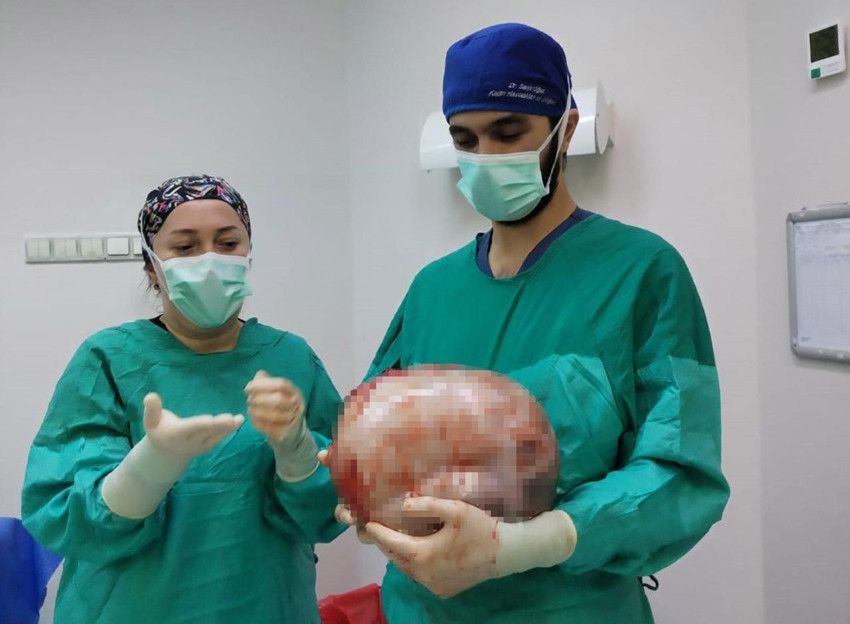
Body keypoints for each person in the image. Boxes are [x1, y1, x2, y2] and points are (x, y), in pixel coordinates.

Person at [335, 23, 730, 623]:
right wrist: (356, 486)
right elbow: (374, 432)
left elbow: (682, 473)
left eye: (509, 132)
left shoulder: (642, 272)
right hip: (421, 609)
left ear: (565, 129)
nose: (486, 157)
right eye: (465, 139)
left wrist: (524, 545)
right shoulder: (432, 289)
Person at [21, 174, 344, 623]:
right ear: (151, 265)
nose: (210, 260)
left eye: (227, 243)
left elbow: (332, 511)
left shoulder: (291, 358)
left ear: (248, 253)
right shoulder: (108, 360)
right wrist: (151, 465)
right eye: (185, 247)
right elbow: (63, 514)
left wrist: (298, 451)